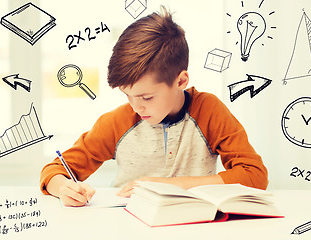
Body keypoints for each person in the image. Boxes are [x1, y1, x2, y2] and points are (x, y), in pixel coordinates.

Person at [40, 6, 268, 206]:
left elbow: (255, 176)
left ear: (181, 81)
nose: (136, 107)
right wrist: (63, 188)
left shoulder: (209, 111)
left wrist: (170, 185)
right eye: (127, 95)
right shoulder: (118, 122)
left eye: (146, 98)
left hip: (197, 226)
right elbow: (53, 171)